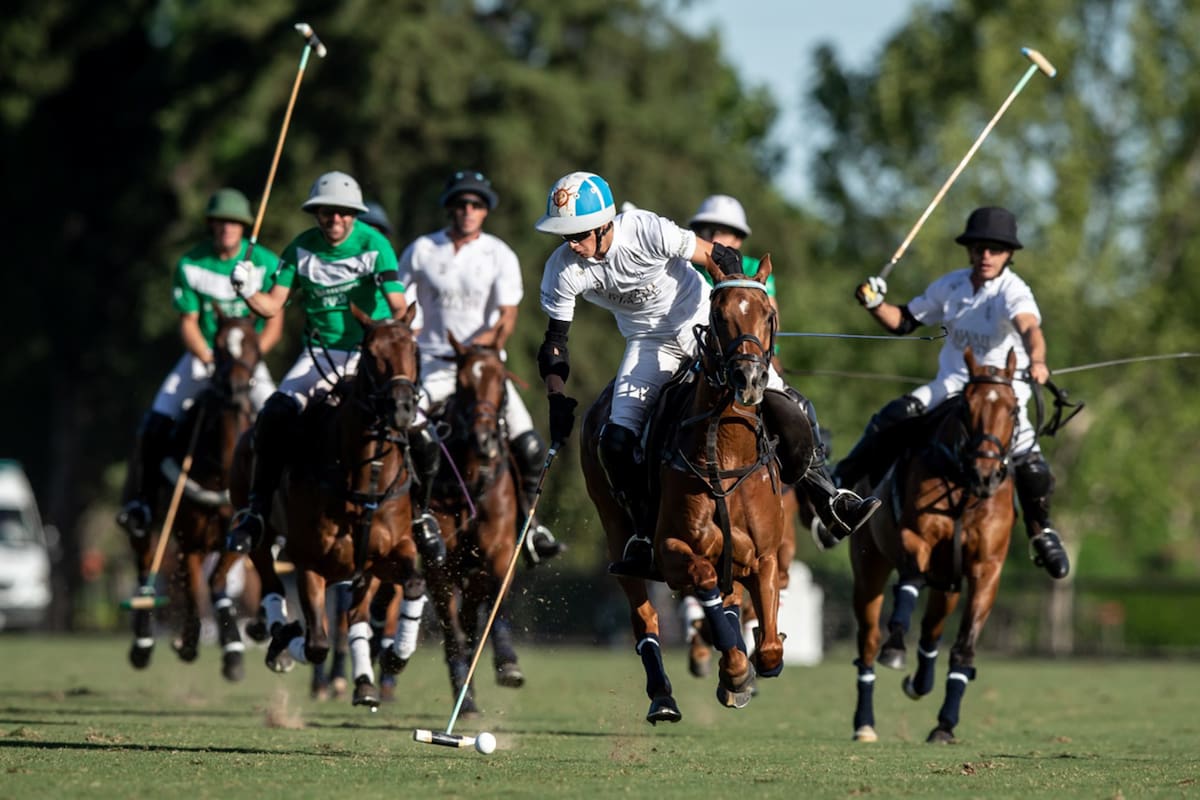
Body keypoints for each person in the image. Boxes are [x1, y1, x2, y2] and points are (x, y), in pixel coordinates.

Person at [533, 171, 879, 578]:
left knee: (790, 402)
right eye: (565, 236)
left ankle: (829, 500)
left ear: (605, 223)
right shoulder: (563, 268)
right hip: (649, 345)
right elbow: (555, 344)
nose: (572, 244)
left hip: (705, 327)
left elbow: (719, 256)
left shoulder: (645, 229)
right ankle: (645, 536)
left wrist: (739, 316)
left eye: (579, 234)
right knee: (616, 443)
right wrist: (556, 396)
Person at [834, 206, 1070, 579]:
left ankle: (1042, 532)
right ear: (970, 250)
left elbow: (1030, 330)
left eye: (995, 249)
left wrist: (1038, 360)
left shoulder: (1013, 292)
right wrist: (876, 305)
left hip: (1001, 400)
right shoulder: (952, 285)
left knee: (1034, 468)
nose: (986, 256)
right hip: (950, 387)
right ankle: (840, 491)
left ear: (1009, 254)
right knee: (890, 418)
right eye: (979, 248)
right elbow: (904, 322)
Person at [223, 170, 445, 567]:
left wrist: (403, 320)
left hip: (371, 353)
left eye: (344, 213)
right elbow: (272, 306)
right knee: (274, 413)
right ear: (316, 214)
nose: (336, 220)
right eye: (327, 213)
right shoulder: (299, 250)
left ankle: (423, 514)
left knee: (422, 431)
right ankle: (256, 512)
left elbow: (395, 303)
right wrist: (246, 290)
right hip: (320, 354)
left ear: (354, 214)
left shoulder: (375, 244)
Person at [398, 169, 565, 566]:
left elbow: (507, 317)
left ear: (485, 210)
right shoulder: (421, 250)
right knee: (407, 437)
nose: (467, 210)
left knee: (529, 445)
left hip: (485, 370)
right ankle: (413, 517)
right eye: (460, 203)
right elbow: (404, 310)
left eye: (475, 204)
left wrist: (479, 348)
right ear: (450, 208)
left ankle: (530, 524)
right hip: (436, 366)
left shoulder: (499, 253)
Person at [117, 188, 284, 537]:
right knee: (158, 417)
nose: (227, 229)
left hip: (247, 364)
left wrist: (250, 362)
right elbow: (189, 324)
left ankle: (280, 510)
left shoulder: (267, 264)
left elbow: (274, 323)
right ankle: (143, 503)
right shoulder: (191, 264)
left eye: (234, 223)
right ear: (211, 225)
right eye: (221, 222)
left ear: (244, 228)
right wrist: (210, 359)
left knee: (279, 421)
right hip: (205, 357)